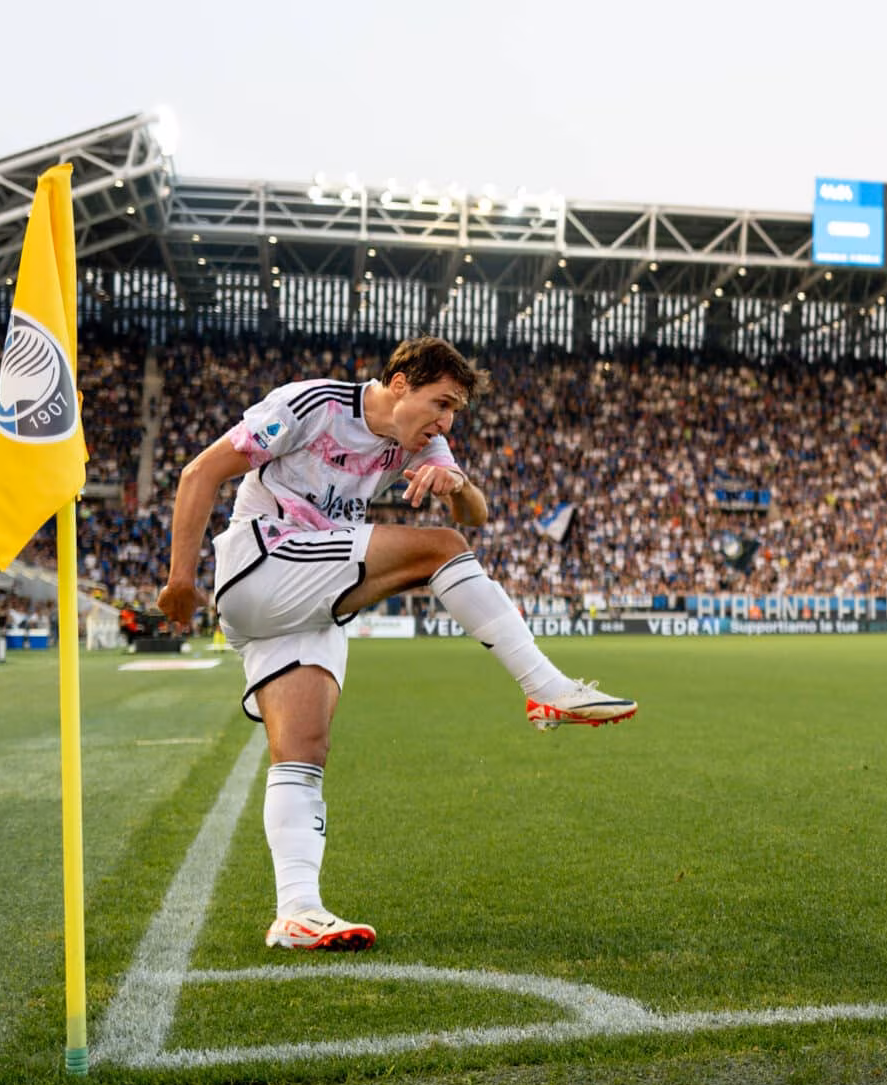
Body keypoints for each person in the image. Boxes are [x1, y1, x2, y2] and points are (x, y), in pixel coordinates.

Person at [157, 335, 635, 954]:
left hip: (307, 598)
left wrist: (453, 482)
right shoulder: (313, 405)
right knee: (438, 549)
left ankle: (297, 911)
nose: (446, 421)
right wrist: (179, 579)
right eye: (441, 404)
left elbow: (477, 514)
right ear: (401, 382)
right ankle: (544, 688)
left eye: (456, 411)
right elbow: (202, 471)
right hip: (263, 562)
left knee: (303, 749)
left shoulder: (422, 441)